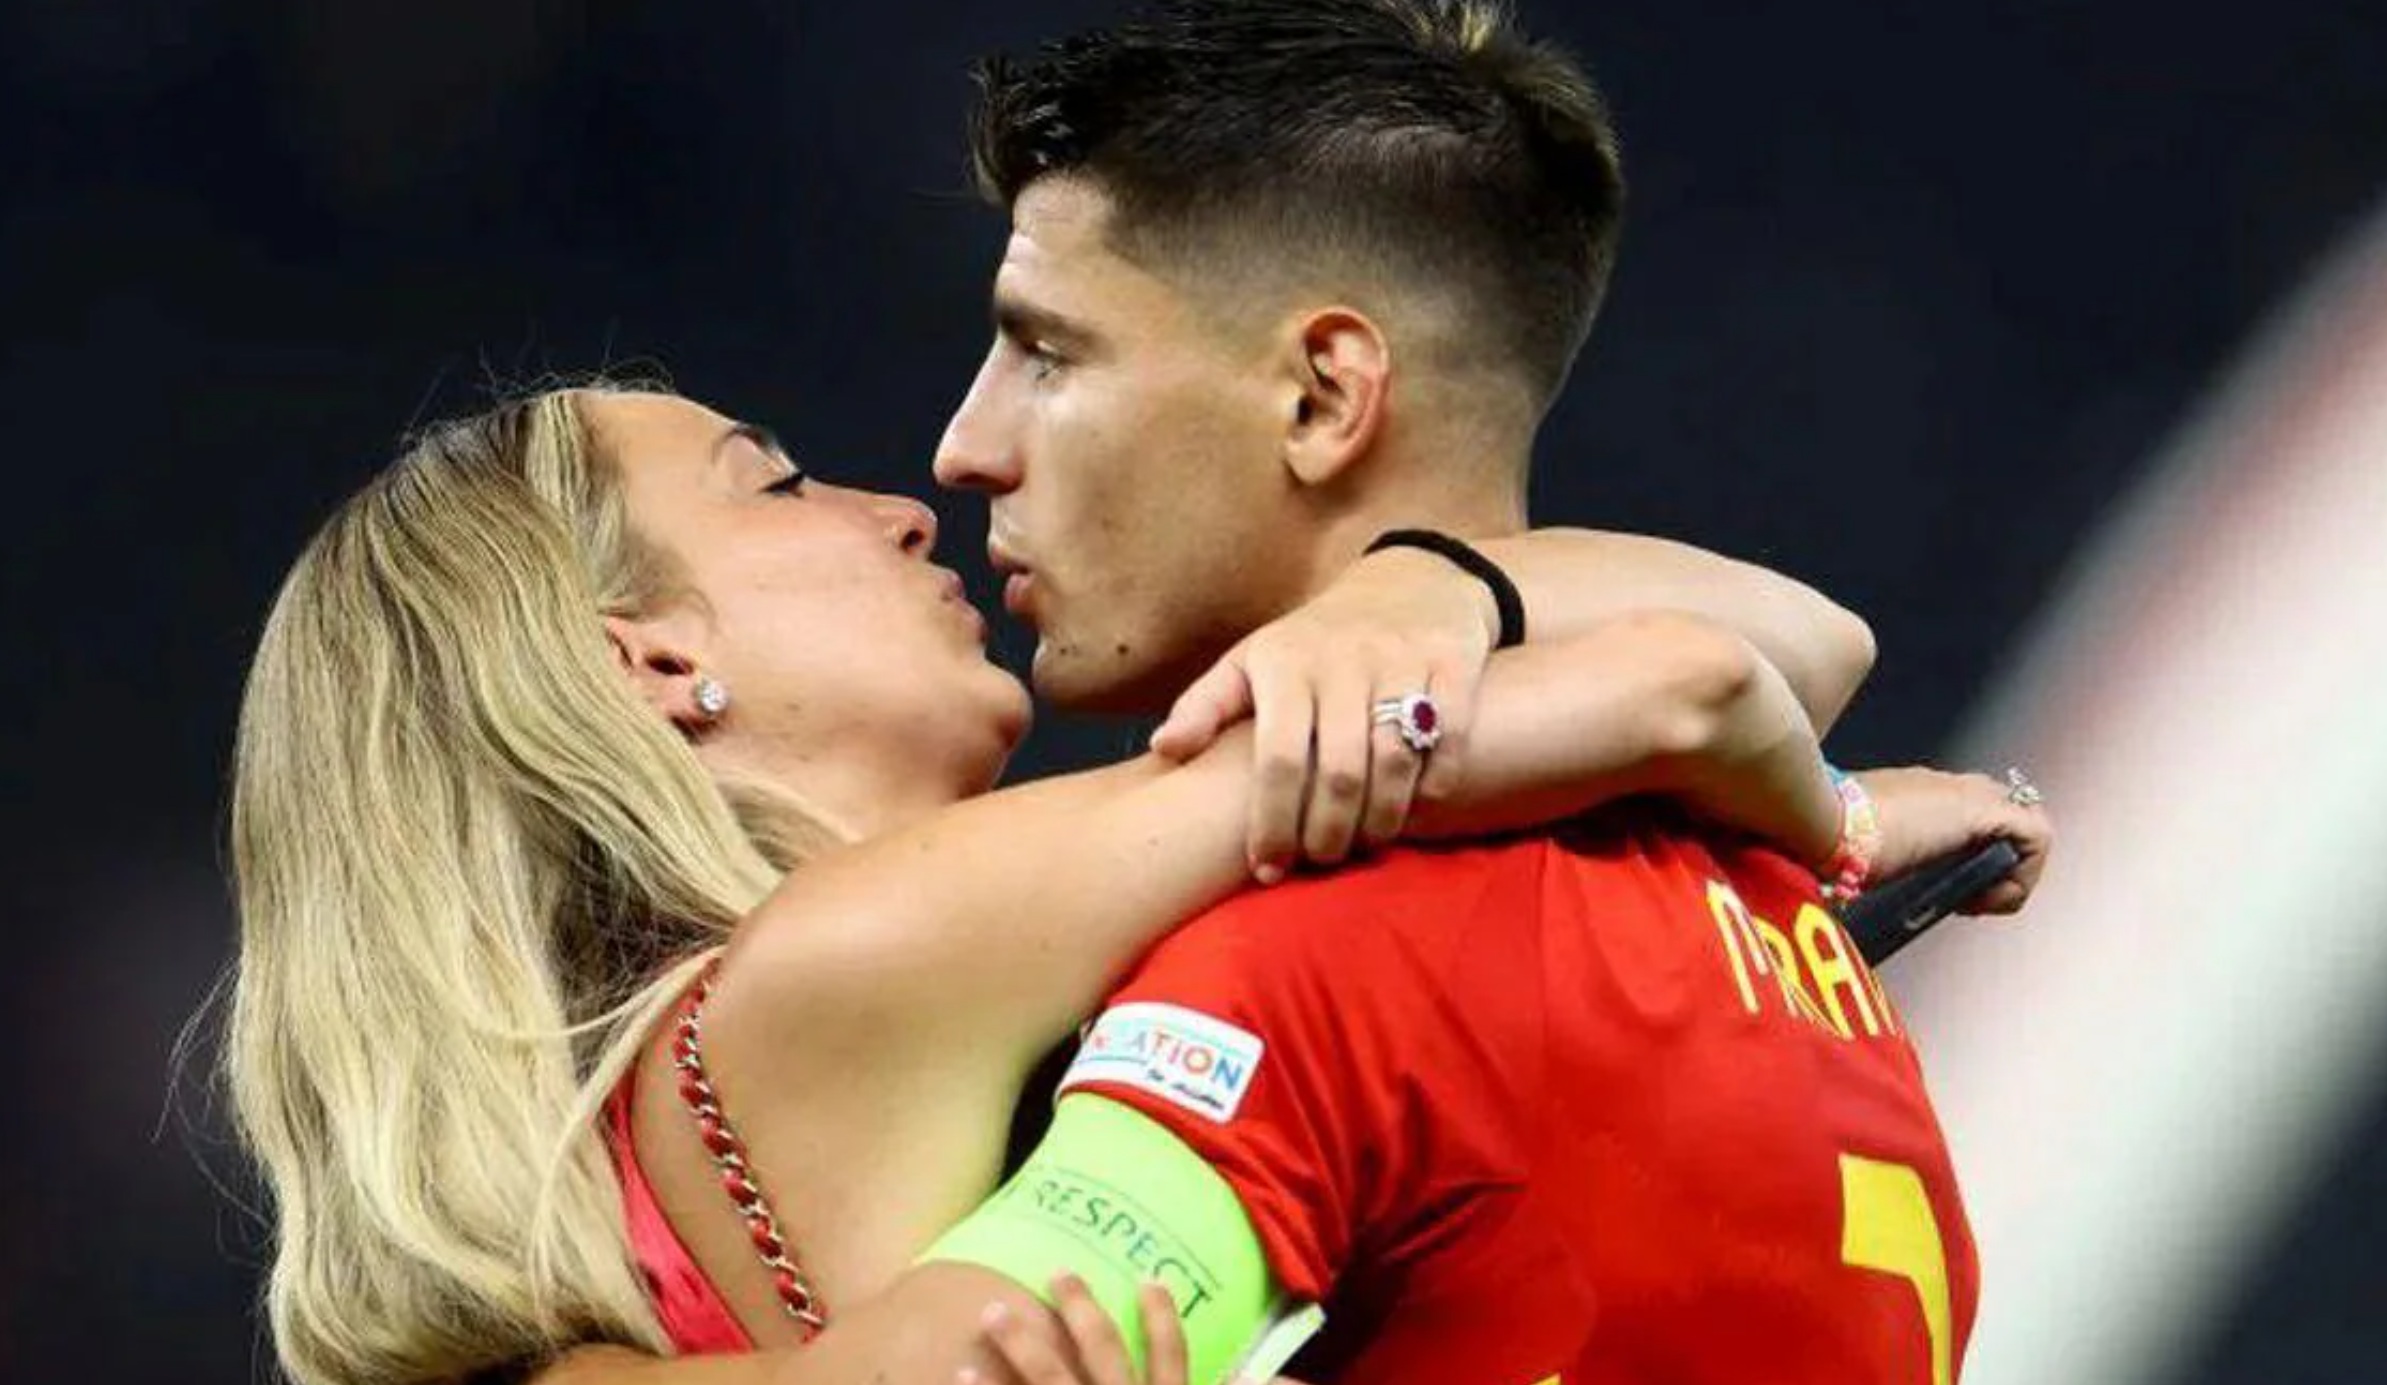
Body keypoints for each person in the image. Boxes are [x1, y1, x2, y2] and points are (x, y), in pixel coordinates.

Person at [517, 1, 2048, 1383]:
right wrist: (1805, 806)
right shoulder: (1781, 938)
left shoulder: (1298, 956)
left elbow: (1709, 674)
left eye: (1047, 353)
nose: (957, 457)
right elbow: (1730, 666)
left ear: (1322, 395)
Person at [226, 376, 1958, 1385]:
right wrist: (1420, 604)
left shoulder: (708, 1108)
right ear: (657, 661)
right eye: (780, 484)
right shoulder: (853, 953)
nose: (902, 507)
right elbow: (1704, 676)